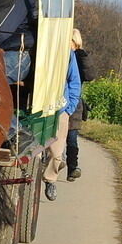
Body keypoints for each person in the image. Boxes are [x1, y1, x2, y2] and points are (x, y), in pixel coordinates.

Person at [43, 48, 81, 201]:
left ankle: (50, 179)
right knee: (32, 150)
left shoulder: (68, 54)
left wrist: (69, 108)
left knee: (56, 152)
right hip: (35, 106)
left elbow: (74, 81)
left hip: (59, 109)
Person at [66, 29, 95, 181]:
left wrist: (83, 56)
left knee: (71, 138)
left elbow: (90, 76)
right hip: (63, 100)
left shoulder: (80, 57)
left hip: (75, 103)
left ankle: (72, 168)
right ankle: (54, 162)